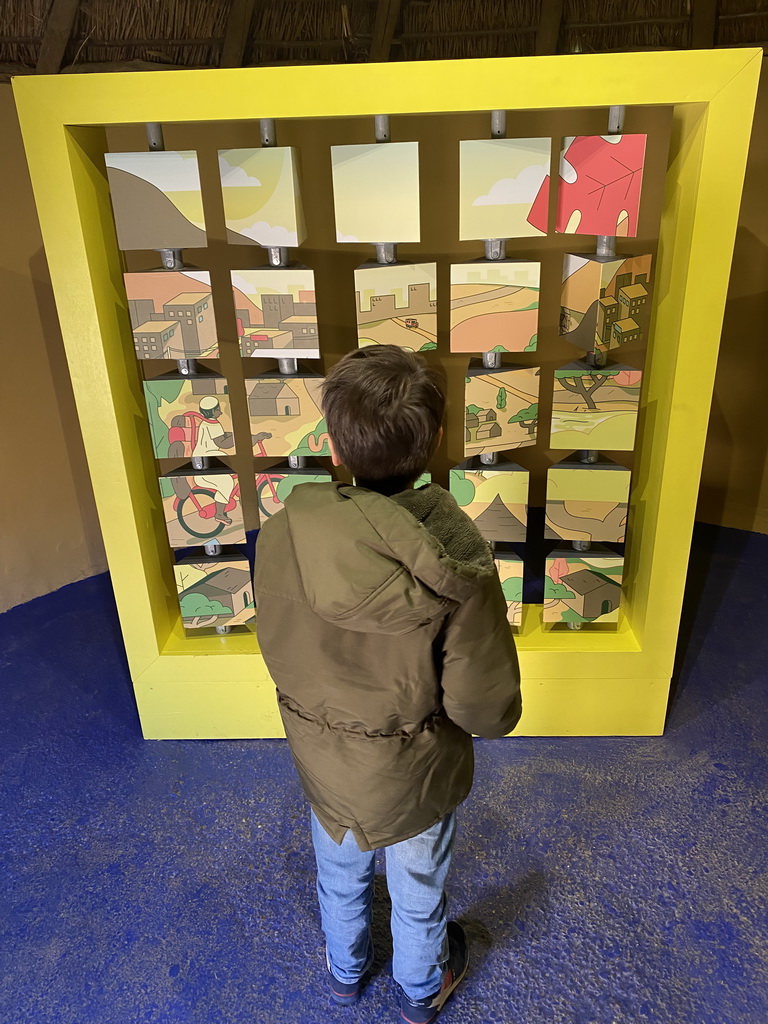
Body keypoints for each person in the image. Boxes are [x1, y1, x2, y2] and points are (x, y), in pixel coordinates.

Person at [253, 345, 521, 1023]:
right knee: (418, 883)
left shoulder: (284, 533)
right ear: (434, 441)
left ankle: (345, 973)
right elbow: (482, 704)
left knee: (337, 871)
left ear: (335, 449)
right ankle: (421, 988)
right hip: (415, 768)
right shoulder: (458, 559)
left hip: (324, 760)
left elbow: (278, 644)